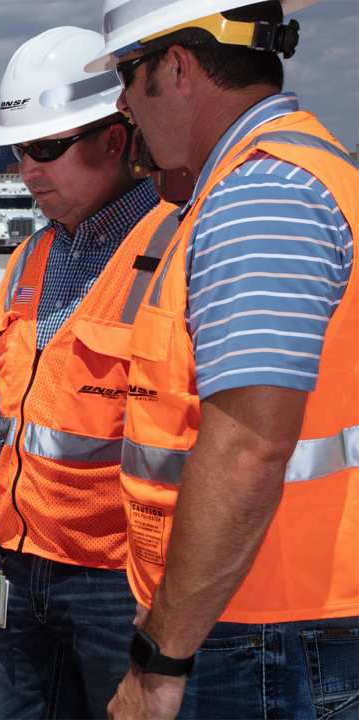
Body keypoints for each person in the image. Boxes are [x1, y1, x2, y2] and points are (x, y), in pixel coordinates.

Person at [84, 1, 358, 717]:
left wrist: (160, 663)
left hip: (267, 634)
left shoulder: (261, 197)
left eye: (126, 73)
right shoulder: (290, 176)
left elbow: (248, 448)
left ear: (177, 68)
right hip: (270, 619)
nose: (119, 102)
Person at [0, 27, 179, 719]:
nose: (27, 169)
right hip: (17, 567)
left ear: (114, 140)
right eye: (18, 149)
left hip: (120, 586)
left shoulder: (176, 250)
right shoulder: (29, 260)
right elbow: (8, 405)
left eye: (46, 148)